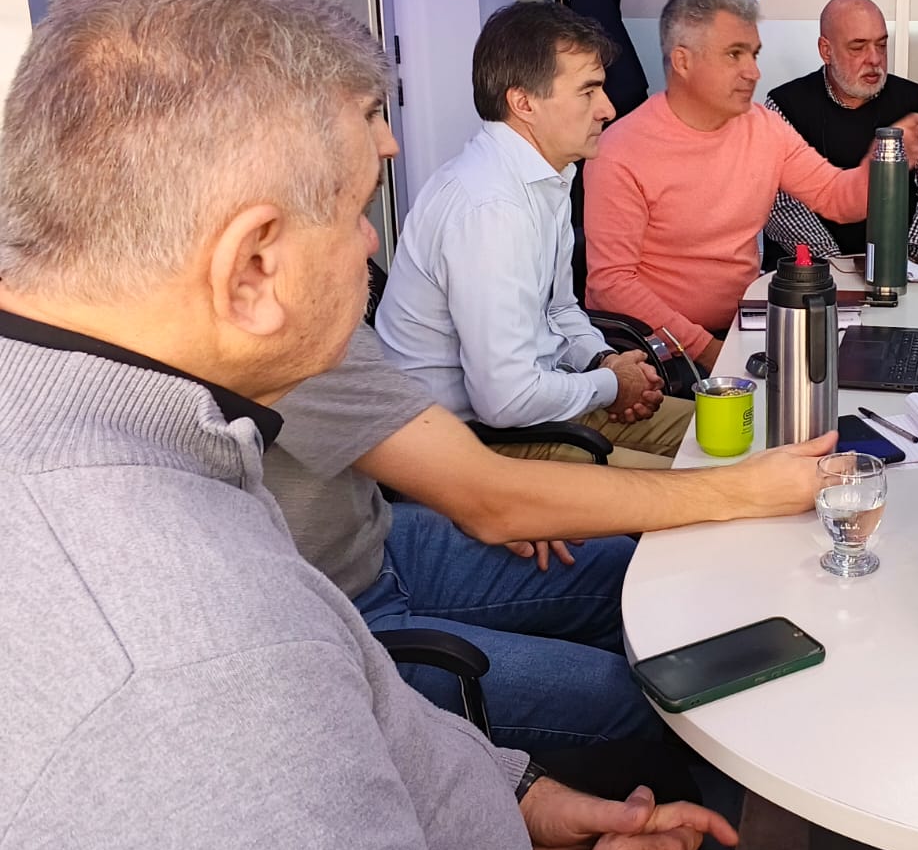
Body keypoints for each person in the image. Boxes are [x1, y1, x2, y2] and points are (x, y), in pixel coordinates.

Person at [0, 0, 732, 850]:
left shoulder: (154, 424)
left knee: (624, 588)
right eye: (356, 213)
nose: (376, 246)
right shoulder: (189, 660)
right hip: (366, 609)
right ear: (252, 268)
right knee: (634, 692)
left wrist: (521, 798)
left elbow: (369, 698)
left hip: (393, 577)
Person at [267, 320, 832, 753]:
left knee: (626, 573)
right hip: (325, 619)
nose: (372, 235)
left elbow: (444, 472)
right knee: (639, 697)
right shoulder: (280, 326)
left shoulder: (306, 307)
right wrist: (739, 490)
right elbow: (493, 484)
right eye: (352, 216)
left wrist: (479, 500)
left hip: (382, 539)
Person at [377, 1, 692, 467]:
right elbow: (506, 401)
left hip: (540, 408)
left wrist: (604, 362)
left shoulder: (547, 175)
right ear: (523, 103)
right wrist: (611, 385)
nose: (607, 109)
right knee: (708, 489)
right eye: (589, 91)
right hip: (473, 445)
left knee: (735, 435)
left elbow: (558, 309)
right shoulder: (492, 210)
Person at [584, 0, 918, 371]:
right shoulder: (620, 150)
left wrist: (881, 163)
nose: (753, 72)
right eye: (735, 54)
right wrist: (709, 350)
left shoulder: (762, 126)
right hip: (654, 351)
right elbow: (611, 285)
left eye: (753, 54)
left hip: (741, 328)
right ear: (683, 62)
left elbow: (837, 198)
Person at [763, 0, 918, 259]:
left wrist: (907, 256)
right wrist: (835, 263)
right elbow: (782, 206)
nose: (875, 59)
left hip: (900, 267)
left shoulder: (914, 100)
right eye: (858, 47)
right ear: (826, 51)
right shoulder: (784, 105)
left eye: (881, 45)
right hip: (810, 272)